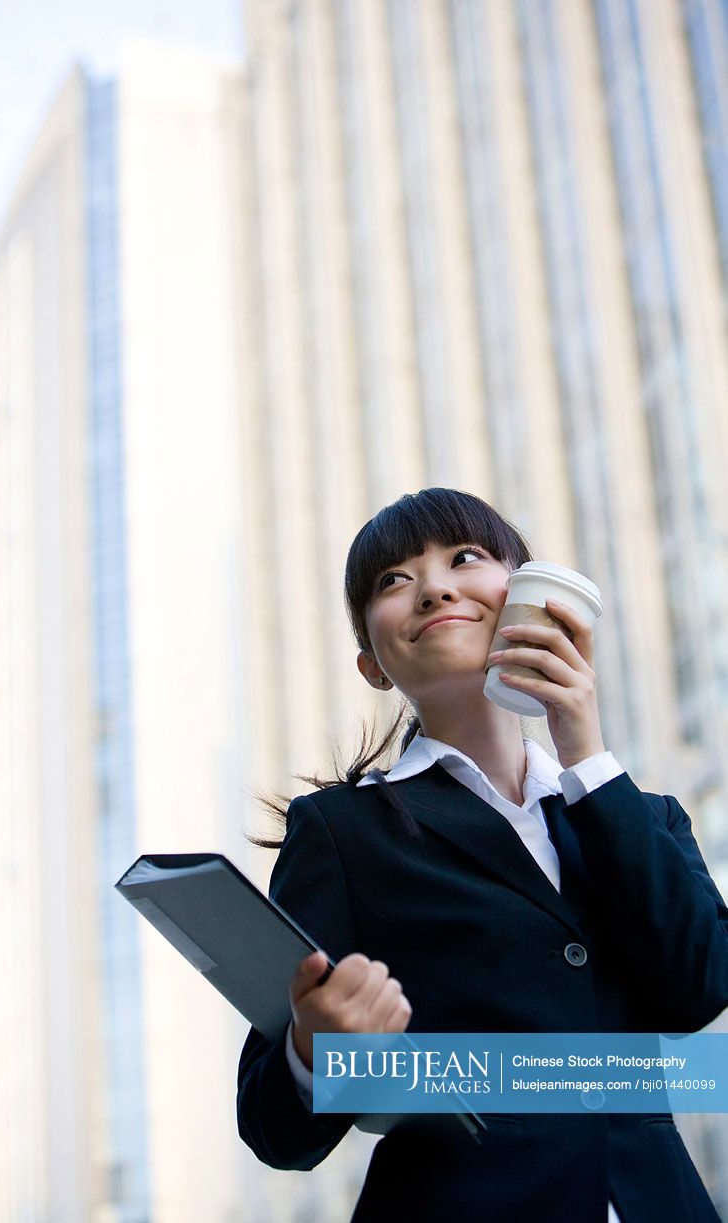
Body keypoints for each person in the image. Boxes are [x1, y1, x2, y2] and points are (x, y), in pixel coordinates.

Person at [236, 487, 728, 1222]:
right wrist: (316, 1045)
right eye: (392, 581)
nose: (433, 585)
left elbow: (698, 984)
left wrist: (583, 752)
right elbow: (274, 1128)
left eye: (464, 557)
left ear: (531, 597)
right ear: (372, 662)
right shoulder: (341, 831)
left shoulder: (635, 814)